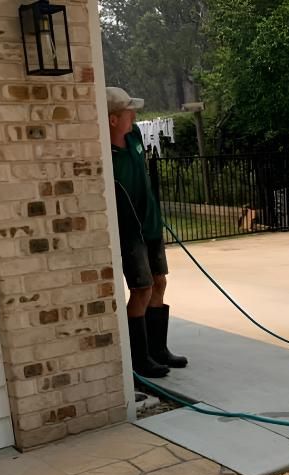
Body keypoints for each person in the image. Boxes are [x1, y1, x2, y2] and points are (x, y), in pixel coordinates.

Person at [106, 86, 188, 378]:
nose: (134, 114)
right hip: (130, 232)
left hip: (151, 224)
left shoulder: (136, 136)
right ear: (113, 119)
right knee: (141, 289)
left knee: (159, 282)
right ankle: (139, 359)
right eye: (129, 110)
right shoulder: (105, 154)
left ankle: (158, 350)